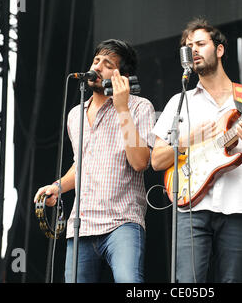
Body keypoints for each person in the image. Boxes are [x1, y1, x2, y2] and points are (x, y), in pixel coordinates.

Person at [151, 18, 242, 283]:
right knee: (188, 283)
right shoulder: (179, 102)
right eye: (189, 47)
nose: (194, 50)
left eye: (200, 43)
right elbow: (156, 160)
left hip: (239, 208)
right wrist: (189, 139)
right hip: (191, 209)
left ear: (219, 50)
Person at [34, 39, 156, 283]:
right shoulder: (75, 114)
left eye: (108, 64)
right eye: (96, 60)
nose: (98, 67)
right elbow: (82, 165)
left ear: (123, 76)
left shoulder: (140, 107)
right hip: (82, 225)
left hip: (123, 222)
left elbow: (140, 162)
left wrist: (122, 108)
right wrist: (57, 186)